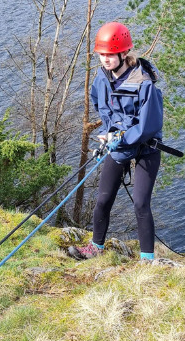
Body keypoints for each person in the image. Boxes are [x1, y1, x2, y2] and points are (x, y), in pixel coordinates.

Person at [68, 21, 163, 263]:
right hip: (117, 145)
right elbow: (101, 104)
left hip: (146, 148)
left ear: (124, 53)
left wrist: (121, 136)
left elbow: (148, 125)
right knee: (103, 198)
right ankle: (95, 247)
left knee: (141, 202)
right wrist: (110, 131)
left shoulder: (144, 83)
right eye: (102, 55)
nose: (105, 60)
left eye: (110, 55)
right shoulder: (102, 77)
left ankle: (147, 260)